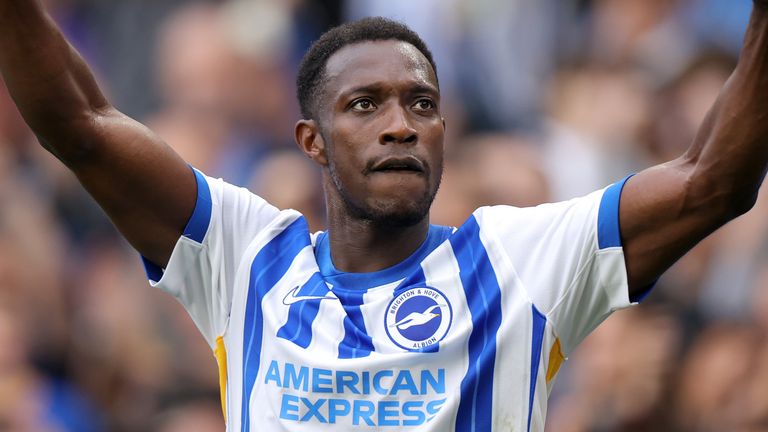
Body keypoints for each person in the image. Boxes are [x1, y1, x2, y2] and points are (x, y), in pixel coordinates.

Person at [2, 1, 768, 431]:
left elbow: (712, 183)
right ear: (311, 141)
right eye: (364, 106)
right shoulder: (243, 255)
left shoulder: (519, 257)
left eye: (422, 104)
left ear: (444, 132)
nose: (400, 124)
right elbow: (80, 123)